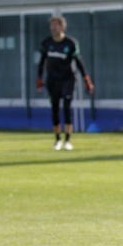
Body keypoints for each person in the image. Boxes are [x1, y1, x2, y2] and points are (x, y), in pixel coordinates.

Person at [37, 16, 94, 150]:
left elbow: (78, 62)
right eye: (52, 25)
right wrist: (39, 79)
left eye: (56, 25)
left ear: (62, 27)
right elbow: (42, 62)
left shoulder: (70, 43)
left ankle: (68, 140)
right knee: (55, 108)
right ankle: (57, 139)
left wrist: (87, 80)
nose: (53, 28)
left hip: (67, 79)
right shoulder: (46, 43)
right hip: (52, 80)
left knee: (67, 107)